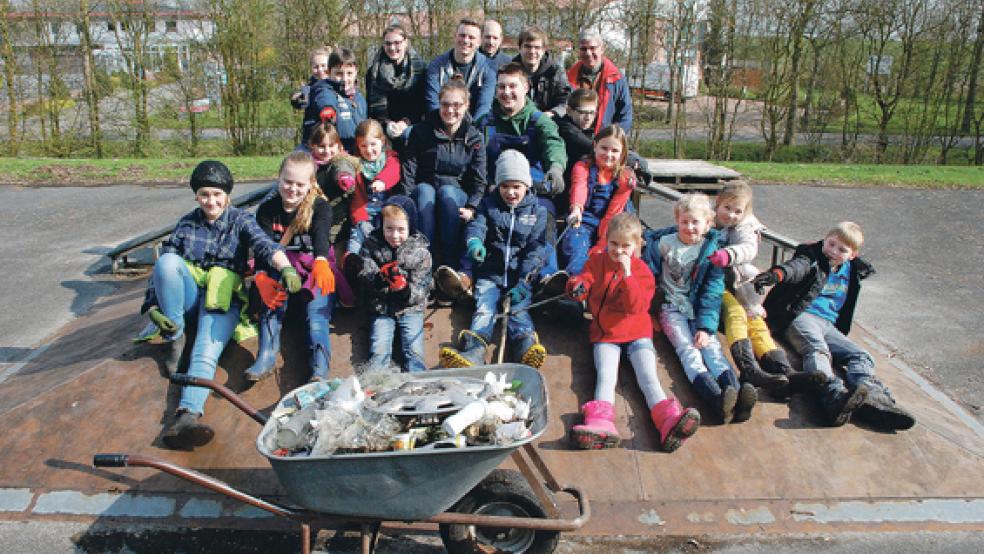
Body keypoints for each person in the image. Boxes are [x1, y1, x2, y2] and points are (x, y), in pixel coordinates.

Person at [140, 161, 300, 449]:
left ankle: (186, 417)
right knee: (167, 262)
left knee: (205, 350)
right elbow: (162, 271)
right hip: (189, 299)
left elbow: (265, 245)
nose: (211, 201)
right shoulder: (187, 224)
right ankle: (175, 336)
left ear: (227, 195)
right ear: (196, 196)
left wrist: (286, 267)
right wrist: (152, 307)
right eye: (204, 194)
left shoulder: (240, 221)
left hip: (221, 301)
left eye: (217, 194)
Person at [753, 222, 916, 430]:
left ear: (852, 255)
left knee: (861, 356)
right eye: (831, 244)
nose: (833, 251)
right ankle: (829, 392)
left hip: (828, 324)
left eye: (842, 250)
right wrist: (777, 274)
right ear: (825, 239)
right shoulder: (811, 257)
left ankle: (872, 397)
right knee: (817, 350)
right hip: (800, 315)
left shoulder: (852, 269)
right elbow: (796, 268)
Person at [566, 213, 700, 451]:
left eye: (625, 246)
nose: (619, 251)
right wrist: (577, 286)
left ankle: (668, 421)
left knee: (648, 377)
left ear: (637, 246)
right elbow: (585, 278)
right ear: (606, 241)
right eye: (613, 244)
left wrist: (627, 274)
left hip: (637, 333)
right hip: (607, 334)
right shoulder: (597, 262)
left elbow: (636, 306)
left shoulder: (642, 272)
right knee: (606, 376)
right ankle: (600, 424)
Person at [641, 193, 757, 424]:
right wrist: (647, 311)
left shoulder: (711, 251)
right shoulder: (664, 244)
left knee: (710, 347)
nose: (689, 227)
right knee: (688, 349)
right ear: (677, 221)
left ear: (708, 224)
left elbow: (712, 293)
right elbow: (646, 277)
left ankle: (734, 393)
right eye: (684, 221)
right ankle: (716, 400)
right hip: (671, 307)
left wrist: (705, 327)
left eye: (695, 222)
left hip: (698, 306)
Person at [438, 151, 548, 369]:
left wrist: (524, 282)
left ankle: (525, 346)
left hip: (518, 277)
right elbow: (477, 225)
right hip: (490, 272)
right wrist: (474, 242)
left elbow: (536, 250)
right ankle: (474, 351)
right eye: (505, 186)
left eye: (516, 186)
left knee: (518, 311)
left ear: (526, 185)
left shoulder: (538, 211)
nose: (510, 192)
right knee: (484, 309)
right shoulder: (488, 205)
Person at [246, 152, 336, 383]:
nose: (292, 189)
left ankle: (319, 369)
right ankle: (266, 356)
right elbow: (263, 246)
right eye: (287, 182)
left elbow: (321, 237)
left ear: (310, 184)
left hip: (313, 266)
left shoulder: (320, 207)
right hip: (280, 267)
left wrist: (321, 261)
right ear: (278, 178)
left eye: (299, 184)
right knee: (270, 307)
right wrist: (261, 277)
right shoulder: (267, 209)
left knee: (316, 316)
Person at [708, 182, 804, 393]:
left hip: (735, 282)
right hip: (712, 283)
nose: (731, 215)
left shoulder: (746, 226)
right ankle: (748, 368)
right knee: (735, 313)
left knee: (756, 321)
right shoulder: (707, 218)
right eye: (727, 208)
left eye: (738, 211)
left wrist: (728, 254)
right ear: (718, 202)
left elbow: (748, 248)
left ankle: (783, 370)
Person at [401, 78, 488, 267]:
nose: (450, 110)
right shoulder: (421, 131)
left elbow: (479, 180)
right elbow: (409, 170)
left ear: (466, 105)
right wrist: (406, 203)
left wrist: (472, 207)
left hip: (455, 196)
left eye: (457, 105)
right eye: (445, 104)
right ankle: (425, 256)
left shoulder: (474, 137)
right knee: (425, 191)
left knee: (446, 192)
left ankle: (449, 259)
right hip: (425, 193)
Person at [356, 196, 433, 373]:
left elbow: (423, 287)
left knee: (414, 352)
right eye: (389, 228)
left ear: (410, 227)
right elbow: (364, 274)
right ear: (381, 225)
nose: (395, 235)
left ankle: (418, 380)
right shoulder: (370, 245)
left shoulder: (421, 252)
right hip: (381, 307)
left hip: (410, 308)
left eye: (401, 229)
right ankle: (377, 381)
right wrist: (379, 279)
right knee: (379, 350)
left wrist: (405, 290)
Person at [555, 125, 637, 282]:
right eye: (604, 148)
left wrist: (601, 243)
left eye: (614, 151)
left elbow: (613, 212)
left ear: (622, 153)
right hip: (583, 219)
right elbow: (579, 187)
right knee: (576, 246)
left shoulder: (625, 178)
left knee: (605, 254)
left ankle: (600, 285)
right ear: (595, 146)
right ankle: (576, 282)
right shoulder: (583, 167)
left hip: (609, 224)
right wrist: (576, 209)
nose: (608, 154)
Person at [303, 123, 359, 308]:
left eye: (331, 146)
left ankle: (347, 298)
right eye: (321, 146)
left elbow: (341, 170)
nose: (327, 151)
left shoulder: (339, 161)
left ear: (339, 146)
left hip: (338, 226)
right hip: (318, 226)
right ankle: (330, 294)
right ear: (312, 146)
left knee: (339, 263)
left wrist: (344, 178)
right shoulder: (310, 166)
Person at [346, 119, 401, 259]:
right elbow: (356, 198)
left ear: (382, 141)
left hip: (386, 212)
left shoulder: (390, 158)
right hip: (364, 212)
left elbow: (393, 172)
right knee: (356, 237)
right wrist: (359, 219)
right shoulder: (355, 163)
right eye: (363, 146)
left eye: (373, 144)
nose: (369, 150)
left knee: (383, 242)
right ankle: (350, 261)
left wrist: (382, 181)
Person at [365, 24, 427, 147]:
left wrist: (405, 123)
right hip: (383, 131)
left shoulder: (420, 70)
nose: (392, 48)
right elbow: (372, 107)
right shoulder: (373, 72)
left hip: (413, 129)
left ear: (406, 42)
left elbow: (421, 104)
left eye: (397, 43)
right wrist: (387, 123)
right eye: (388, 43)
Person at [424, 18, 498, 121]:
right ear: (455, 37)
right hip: (442, 122)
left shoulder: (488, 68)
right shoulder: (436, 67)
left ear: (479, 42)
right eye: (462, 35)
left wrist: (472, 128)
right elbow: (433, 104)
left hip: (474, 126)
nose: (466, 40)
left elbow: (484, 106)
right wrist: (449, 126)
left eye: (471, 37)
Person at [301, 47, 367, 153]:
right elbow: (325, 98)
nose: (345, 78)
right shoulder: (325, 89)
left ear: (356, 72)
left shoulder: (359, 98)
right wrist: (327, 108)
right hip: (333, 150)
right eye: (339, 74)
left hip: (356, 149)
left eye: (349, 73)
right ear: (329, 72)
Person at [566, 30, 633, 134]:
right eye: (583, 49)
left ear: (602, 49)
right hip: (573, 137)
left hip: (605, 138)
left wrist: (611, 138)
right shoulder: (568, 78)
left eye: (592, 48)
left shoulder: (617, 79)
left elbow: (625, 117)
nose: (588, 53)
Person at [513, 26, 571, 118]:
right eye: (528, 46)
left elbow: (566, 100)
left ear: (543, 50)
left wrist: (551, 113)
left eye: (537, 47)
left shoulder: (555, 71)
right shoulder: (510, 72)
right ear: (519, 48)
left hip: (551, 119)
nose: (532, 51)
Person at [290, 47, 331, 111]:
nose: (320, 70)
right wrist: (297, 98)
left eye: (323, 66)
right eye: (316, 67)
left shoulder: (339, 86)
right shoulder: (309, 88)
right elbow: (299, 100)